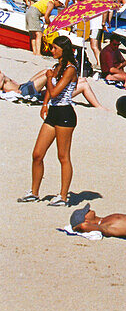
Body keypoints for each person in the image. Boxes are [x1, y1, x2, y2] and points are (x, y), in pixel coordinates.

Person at [18, 35, 78, 207]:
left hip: (66, 114)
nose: (51, 50)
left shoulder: (70, 69)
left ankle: (63, 196)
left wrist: (50, 78)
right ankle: (34, 193)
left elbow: (55, 92)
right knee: (37, 154)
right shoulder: (56, 66)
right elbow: (48, 93)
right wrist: (44, 104)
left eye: (54, 48)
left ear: (63, 50)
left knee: (63, 156)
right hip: (53, 112)